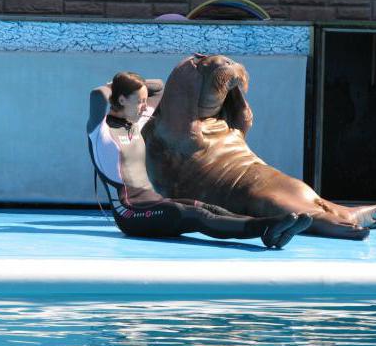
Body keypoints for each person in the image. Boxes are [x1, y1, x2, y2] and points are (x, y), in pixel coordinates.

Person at [88, 72, 312, 249]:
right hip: (130, 213)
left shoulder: (136, 120)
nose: (145, 107)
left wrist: (137, 86)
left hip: (153, 201)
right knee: (196, 216)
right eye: (140, 101)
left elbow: (161, 86)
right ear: (120, 99)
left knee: (208, 207)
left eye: (145, 101)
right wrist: (114, 84)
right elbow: (97, 94)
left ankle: (274, 229)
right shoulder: (101, 131)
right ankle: (268, 228)